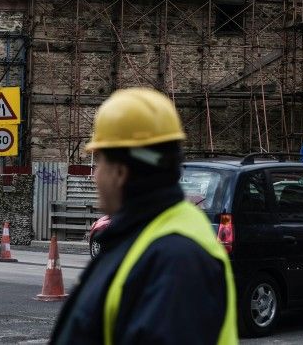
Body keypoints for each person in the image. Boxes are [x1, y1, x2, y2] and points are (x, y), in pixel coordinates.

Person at [50, 88, 237, 344]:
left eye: (100, 161)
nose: (96, 176)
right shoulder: (143, 238)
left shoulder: (176, 259)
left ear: (120, 172)